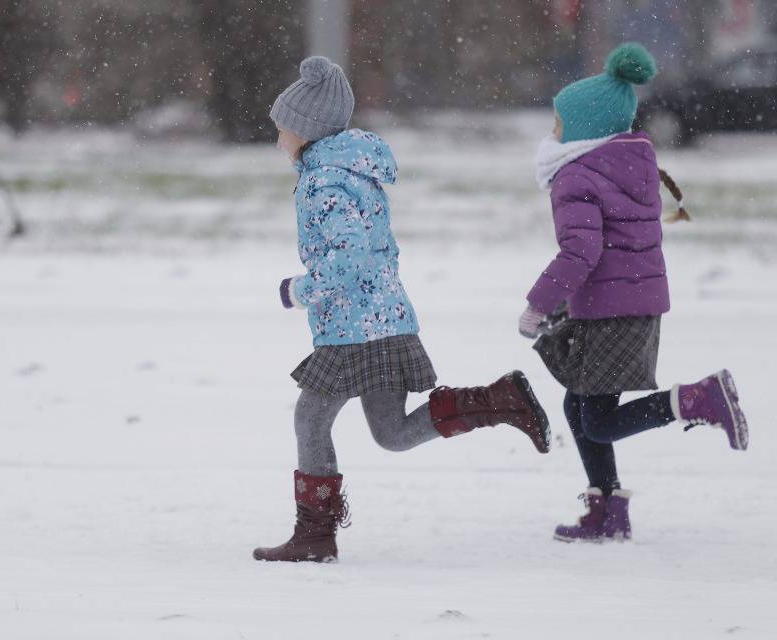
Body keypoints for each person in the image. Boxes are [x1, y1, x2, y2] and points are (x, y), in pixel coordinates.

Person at [253, 56, 551, 564]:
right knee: (391, 433)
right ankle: (498, 400)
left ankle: (315, 536)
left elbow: (348, 257)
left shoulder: (324, 183)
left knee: (310, 418)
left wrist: (299, 290)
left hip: (354, 329)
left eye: (282, 129)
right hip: (385, 319)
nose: (278, 138)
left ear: (305, 131)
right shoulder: (352, 173)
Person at [520, 43, 749, 543]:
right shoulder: (628, 163)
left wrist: (539, 304)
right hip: (630, 303)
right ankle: (607, 508)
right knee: (579, 407)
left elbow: (580, 252)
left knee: (599, 421)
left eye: (559, 124)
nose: (552, 133)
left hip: (612, 309)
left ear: (584, 129)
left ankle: (696, 399)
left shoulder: (576, 175)